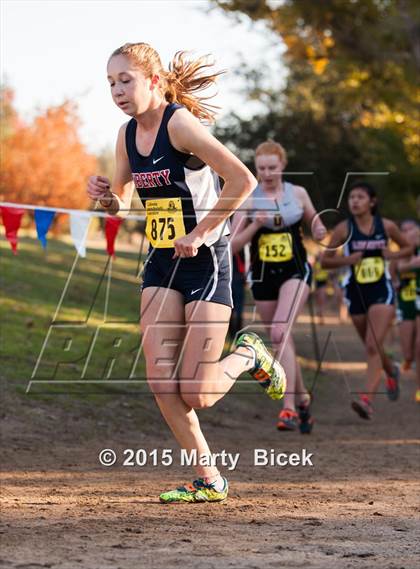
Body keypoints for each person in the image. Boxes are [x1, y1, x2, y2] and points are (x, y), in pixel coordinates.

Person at [86, 43, 286, 503]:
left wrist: (201, 232)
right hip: (161, 260)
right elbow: (120, 201)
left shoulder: (180, 124)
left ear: (153, 81)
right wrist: (104, 196)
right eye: (111, 83)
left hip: (206, 259)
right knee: (161, 381)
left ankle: (249, 355)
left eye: (125, 80)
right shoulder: (125, 134)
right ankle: (210, 479)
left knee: (198, 392)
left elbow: (242, 181)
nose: (117, 90)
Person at [231, 140, 326, 432]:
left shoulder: (297, 193)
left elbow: (315, 222)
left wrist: (320, 229)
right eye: (261, 168)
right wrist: (255, 225)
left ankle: (287, 409)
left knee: (280, 331)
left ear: (282, 165)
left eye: (272, 167)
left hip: (295, 271)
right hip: (262, 277)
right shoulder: (248, 197)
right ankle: (303, 400)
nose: (267, 173)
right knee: (280, 339)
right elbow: (232, 244)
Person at [321, 182, 412, 419]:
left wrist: (391, 255)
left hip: (382, 290)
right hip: (355, 292)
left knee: (373, 345)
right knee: (372, 345)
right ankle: (391, 371)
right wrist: (348, 260)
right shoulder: (343, 229)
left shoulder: (387, 226)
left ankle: (367, 401)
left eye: (360, 197)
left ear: (372, 202)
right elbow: (325, 261)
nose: (355, 201)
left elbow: (409, 248)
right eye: (351, 197)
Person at [390, 220, 419, 372]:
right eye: (403, 230)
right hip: (405, 303)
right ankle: (408, 361)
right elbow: (393, 276)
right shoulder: (399, 254)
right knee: (408, 352)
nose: (407, 233)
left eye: (410, 230)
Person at [313, 252, 329, 325]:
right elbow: (314, 273)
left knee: (322, 299)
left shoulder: (325, 263)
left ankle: (322, 317)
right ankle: (320, 314)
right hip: (317, 282)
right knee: (318, 300)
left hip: (323, 282)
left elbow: (328, 272)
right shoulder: (316, 264)